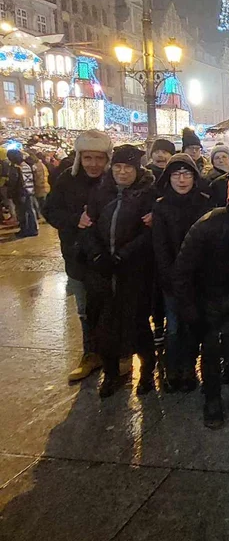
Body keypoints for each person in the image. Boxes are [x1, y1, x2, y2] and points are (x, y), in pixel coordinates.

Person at [172, 172, 229, 428]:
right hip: (207, 299)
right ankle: (211, 397)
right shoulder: (207, 226)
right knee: (210, 351)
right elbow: (182, 271)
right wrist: (190, 309)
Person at [80, 145, 156, 397]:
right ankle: (111, 374)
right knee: (105, 326)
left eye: (128, 168)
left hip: (133, 271)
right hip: (102, 271)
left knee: (139, 324)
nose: (122, 172)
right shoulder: (100, 192)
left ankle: (147, 374)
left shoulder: (147, 194)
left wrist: (125, 254)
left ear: (137, 169)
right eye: (118, 167)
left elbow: (149, 232)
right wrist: (97, 254)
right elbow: (88, 225)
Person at [44, 130, 113, 383]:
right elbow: (50, 210)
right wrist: (75, 220)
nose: (93, 164)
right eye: (87, 158)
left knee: (111, 305)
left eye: (99, 158)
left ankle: (116, 354)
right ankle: (91, 354)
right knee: (84, 310)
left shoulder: (113, 181)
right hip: (77, 257)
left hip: (108, 257)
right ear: (79, 158)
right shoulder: (66, 180)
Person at [151, 153, 213, 391]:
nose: (181, 179)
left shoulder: (204, 202)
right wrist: (171, 279)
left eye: (186, 174)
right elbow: (160, 247)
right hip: (172, 279)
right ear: (169, 177)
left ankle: (188, 368)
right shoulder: (161, 206)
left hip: (199, 277)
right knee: (174, 325)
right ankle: (171, 368)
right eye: (176, 174)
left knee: (192, 325)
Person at [5, 149, 38, 238]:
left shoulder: (16, 167)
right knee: (30, 210)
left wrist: (10, 191)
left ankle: (25, 230)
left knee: (22, 212)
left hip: (21, 192)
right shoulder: (27, 165)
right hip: (30, 190)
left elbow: (14, 181)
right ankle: (33, 229)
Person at [29, 151, 50, 218]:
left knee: (42, 203)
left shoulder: (37, 165)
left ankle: (44, 216)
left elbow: (39, 177)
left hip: (41, 187)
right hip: (44, 186)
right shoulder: (40, 164)